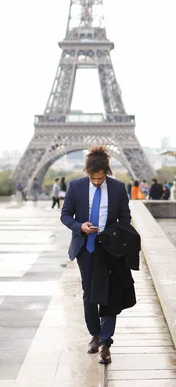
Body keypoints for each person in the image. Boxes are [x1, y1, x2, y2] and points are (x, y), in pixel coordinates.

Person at [60, 146, 135, 365]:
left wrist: (113, 234)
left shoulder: (119, 188)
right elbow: (65, 215)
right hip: (86, 247)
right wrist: (79, 226)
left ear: (106, 172)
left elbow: (125, 218)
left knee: (111, 293)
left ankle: (105, 342)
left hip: (109, 248)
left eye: (100, 178)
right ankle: (94, 334)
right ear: (87, 173)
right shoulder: (75, 187)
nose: (96, 182)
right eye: (93, 178)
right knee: (89, 292)